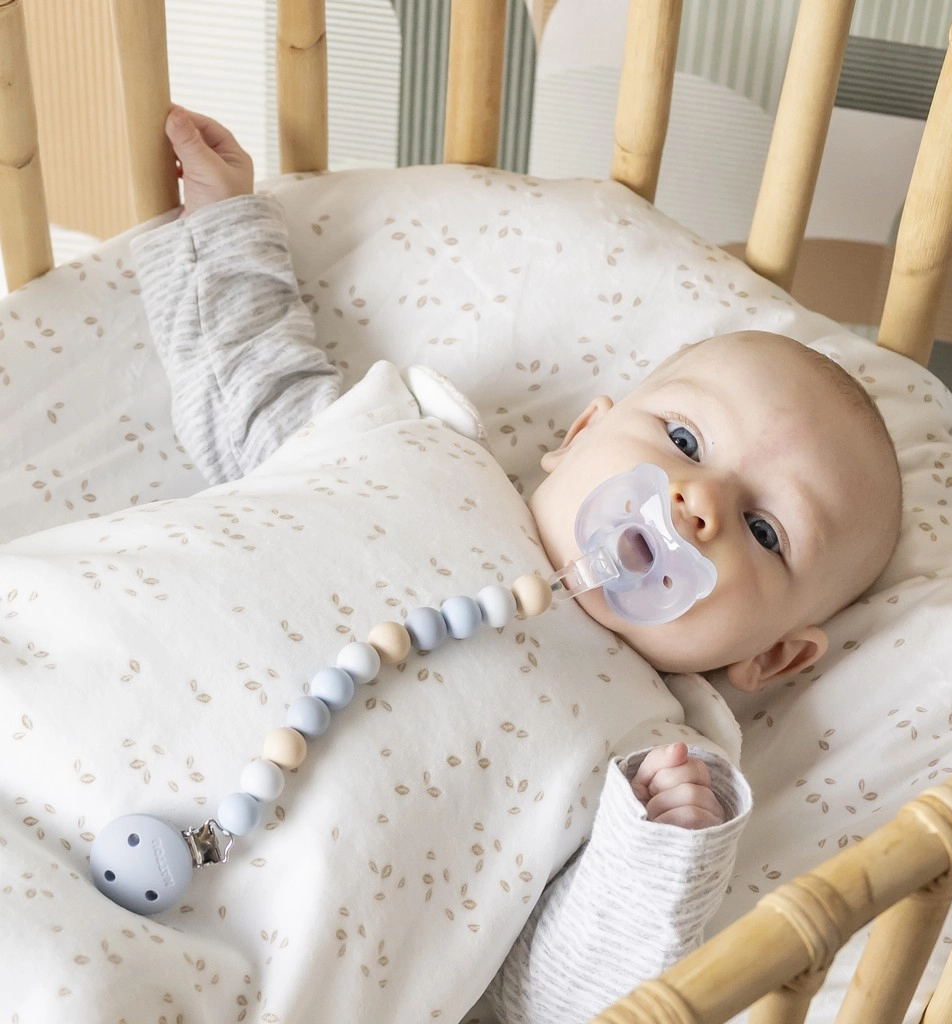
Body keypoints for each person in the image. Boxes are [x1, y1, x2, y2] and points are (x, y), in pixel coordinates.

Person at [128, 105, 903, 1022]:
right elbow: (255, 401)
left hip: (258, 967)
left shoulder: (651, 754)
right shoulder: (416, 452)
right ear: (581, 433)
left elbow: (536, 994)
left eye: (765, 531)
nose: (697, 502)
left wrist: (658, 853)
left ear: (770, 657)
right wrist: (223, 226)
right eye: (685, 439)